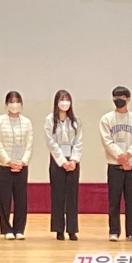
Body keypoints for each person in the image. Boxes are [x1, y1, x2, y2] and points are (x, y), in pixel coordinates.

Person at [100, 86, 132, 242]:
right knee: (114, 200)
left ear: (128, 99)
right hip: (114, 164)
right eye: (116, 97)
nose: (119, 100)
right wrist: (120, 156)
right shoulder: (106, 119)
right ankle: (114, 231)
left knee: (131, 201)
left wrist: (128, 154)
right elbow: (107, 141)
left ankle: (131, 232)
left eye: (122, 97)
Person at [0, 90, 33, 240]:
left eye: (17, 102)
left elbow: (29, 144)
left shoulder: (27, 122)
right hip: (4, 165)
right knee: (4, 198)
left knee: (21, 199)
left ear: (21, 104)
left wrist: (23, 161)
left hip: (21, 165)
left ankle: (19, 229)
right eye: (11, 102)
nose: (14, 105)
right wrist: (8, 161)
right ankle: (6, 229)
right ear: (6, 104)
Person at [45, 89, 83, 241]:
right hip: (57, 161)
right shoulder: (50, 120)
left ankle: (72, 229)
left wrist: (73, 160)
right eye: (62, 99)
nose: (64, 102)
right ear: (56, 102)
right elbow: (51, 142)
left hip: (73, 161)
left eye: (67, 99)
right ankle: (59, 229)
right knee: (58, 195)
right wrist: (62, 161)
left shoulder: (75, 121)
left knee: (72, 196)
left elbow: (78, 142)